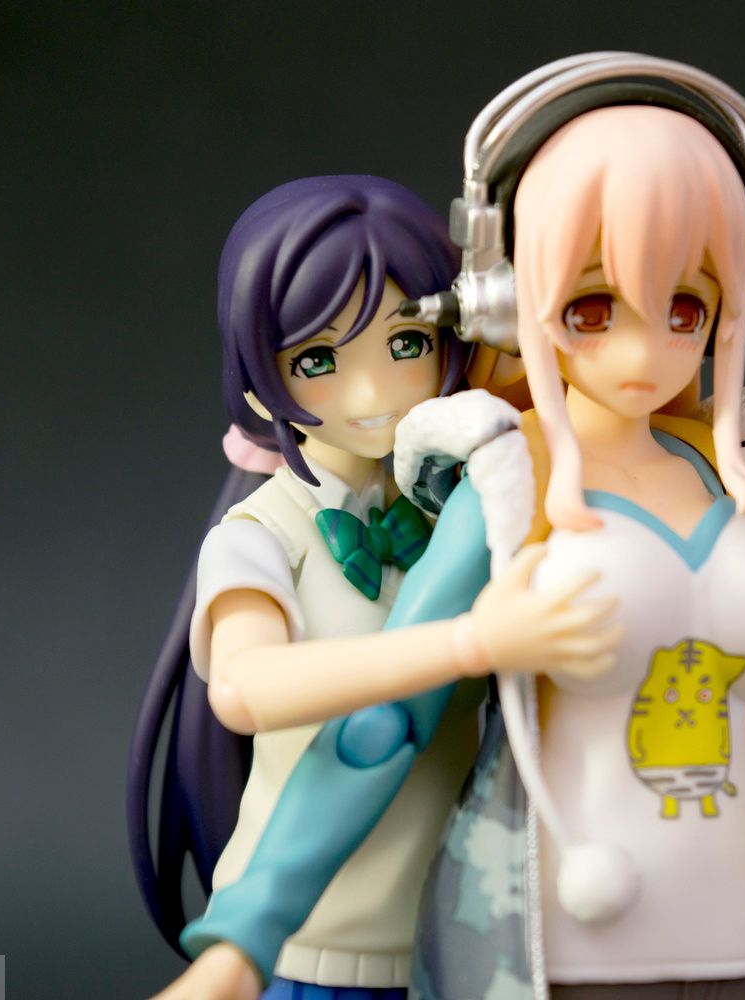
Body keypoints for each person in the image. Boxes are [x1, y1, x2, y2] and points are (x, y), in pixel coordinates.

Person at [181, 97, 745, 1000]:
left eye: (684, 305)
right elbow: (385, 726)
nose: (645, 350)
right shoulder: (506, 480)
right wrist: (246, 937)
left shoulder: (740, 478)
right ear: (510, 299)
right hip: (578, 941)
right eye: (596, 305)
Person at [130, 175, 623, 1000]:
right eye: (318, 361)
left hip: (465, 941)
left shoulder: (469, 506)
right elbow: (245, 688)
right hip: (310, 946)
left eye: (407, 344)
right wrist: (465, 643)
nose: (372, 394)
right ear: (256, 380)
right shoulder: (261, 537)